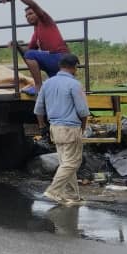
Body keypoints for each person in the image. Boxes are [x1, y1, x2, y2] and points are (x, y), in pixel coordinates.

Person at [33, 53, 89, 206]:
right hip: (70, 128)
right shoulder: (74, 84)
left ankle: (72, 195)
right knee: (72, 162)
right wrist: (83, 127)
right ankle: (54, 190)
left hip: (54, 128)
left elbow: (38, 109)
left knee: (66, 162)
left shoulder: (47, 83)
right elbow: (82, 110)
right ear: (74, 67)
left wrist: (42, 126)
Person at [2, 0, 70, 95]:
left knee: (30, 55)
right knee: (58, 88)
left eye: (30, 14)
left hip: (60, 58)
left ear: (37, 14)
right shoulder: (36, 32)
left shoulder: (45, 20)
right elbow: (28, 52)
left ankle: (38, 86)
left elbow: (33, 4)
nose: (28, 17)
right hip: (53, 63)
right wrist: (17, 45)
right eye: (26, 16)